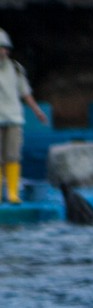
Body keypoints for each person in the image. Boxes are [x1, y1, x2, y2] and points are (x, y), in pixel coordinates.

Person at [0, 29, 52, 206]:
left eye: (5, 48)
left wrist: (37, 111)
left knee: (12, 155)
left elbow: (25, 93)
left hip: (13, 117)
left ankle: (13, 193)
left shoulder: (16, 68)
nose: (2, 52)